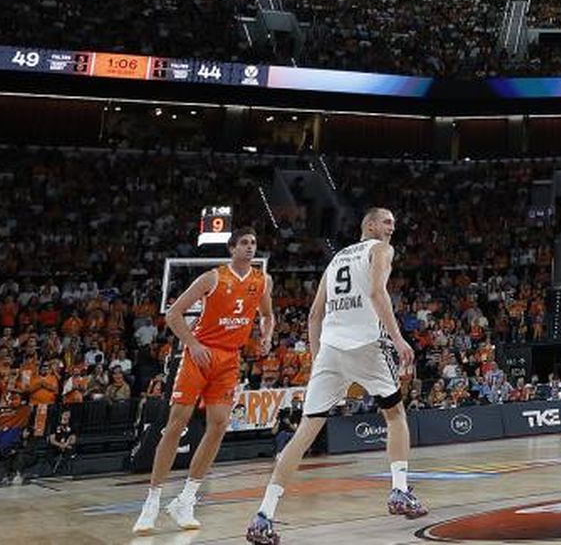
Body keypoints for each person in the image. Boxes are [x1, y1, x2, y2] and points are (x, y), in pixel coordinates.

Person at [244, 209, 424, 545]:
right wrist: (398, 339)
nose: (392, 227)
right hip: (366, 344)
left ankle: (263, 516)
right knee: (395, 415)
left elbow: (315, 314)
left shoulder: (337, 258)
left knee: (304, 434)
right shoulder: (381, 250)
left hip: (329, 349)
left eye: (393, 223)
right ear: (369, 224)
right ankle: (399, 490)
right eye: (387, 222)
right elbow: (376, 294)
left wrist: (318, 359)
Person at [135, 229, 274, 534]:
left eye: (253, 243)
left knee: (220, 424)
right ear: (232, 248)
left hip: (230, 359)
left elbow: (267, 315)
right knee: (176, 424)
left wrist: (266, 335)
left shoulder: (262, 281)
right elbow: (174, 314)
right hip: (199, 355)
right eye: (244, 243)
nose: (250, 248)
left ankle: (185, 500)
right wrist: (193, 344)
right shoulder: (212, 278)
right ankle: (152, 502)